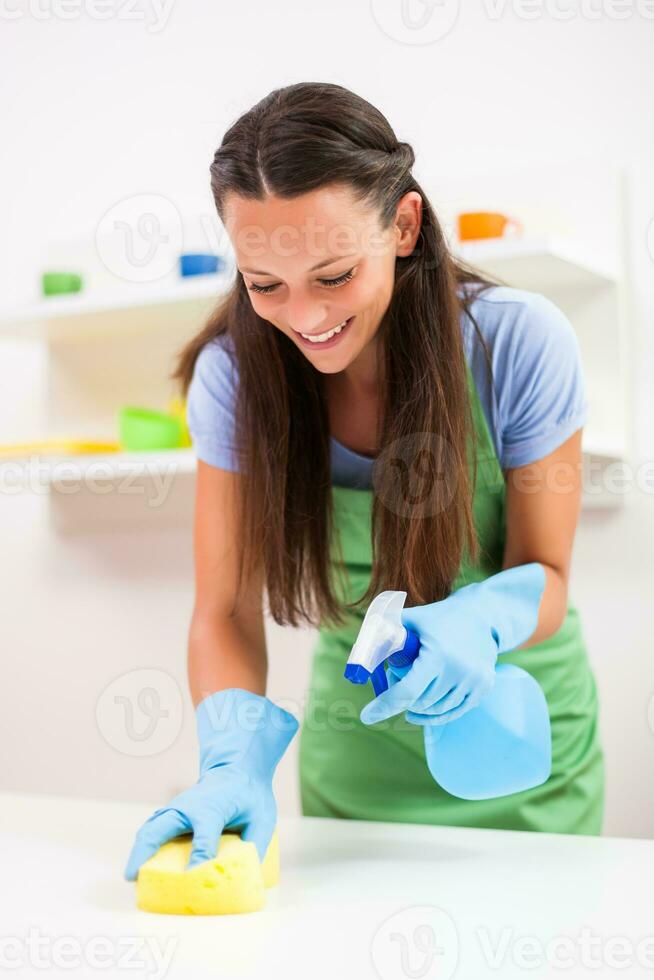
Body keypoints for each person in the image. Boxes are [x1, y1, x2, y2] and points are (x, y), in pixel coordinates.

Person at [124, 81, 604, 881]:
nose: (304, 316)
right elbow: (225, 609)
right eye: (265, 284)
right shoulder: (234, 378)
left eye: (334, 274)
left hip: (519, 750)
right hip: (358, 761)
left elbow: (548, 577)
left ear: (405, 226)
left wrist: (480, 620)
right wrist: (231, 762)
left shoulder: (517, 343)